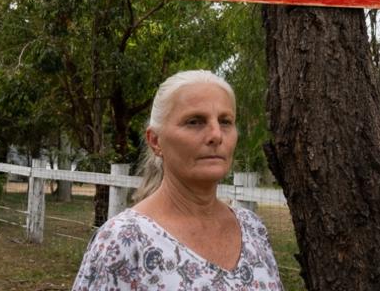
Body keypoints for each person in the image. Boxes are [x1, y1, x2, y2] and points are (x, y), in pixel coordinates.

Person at [72, 70, 282, 290]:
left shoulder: (252, 228)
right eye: (194, 122)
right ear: (155, 141)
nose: (216, 135)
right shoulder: (124, 240)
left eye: (225, 121)